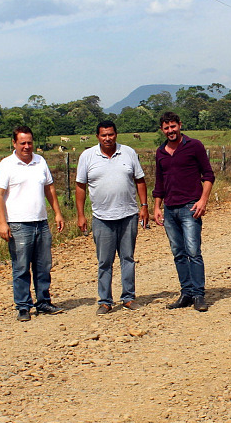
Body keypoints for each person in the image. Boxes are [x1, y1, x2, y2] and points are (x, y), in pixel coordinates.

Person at [75, 121, 149, 315]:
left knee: (127, 258)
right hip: (102, 217)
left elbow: (140, 180)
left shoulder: (129, 153)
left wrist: (144, 206)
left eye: (111, 134)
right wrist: (81, 214)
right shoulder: (87, 156)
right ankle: (105, 301)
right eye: (103, 135)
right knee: (104, 261)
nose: (107, 138)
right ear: (97, 137)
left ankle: (128, 298)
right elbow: (80, 186)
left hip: (128, 215)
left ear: (116, 135)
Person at [0, 126, 66, 322]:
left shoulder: (40, 161)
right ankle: (23, 306)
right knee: (21, 267)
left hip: (41, 222)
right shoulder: (6, 165)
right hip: (18, 224)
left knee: (43, 266)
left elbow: (49, 188)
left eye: (30, 142)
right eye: (22, 143)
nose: (27, 146)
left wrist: (57, 213)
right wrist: (2, 222)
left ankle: (43, 302)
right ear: (14, 144)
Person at [152, 111, 215, 311]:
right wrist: (156, 207)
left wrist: (203, 200)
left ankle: (199, 295)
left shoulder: (194, 146)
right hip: (170, 210)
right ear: (162, 130)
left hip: (190, 207)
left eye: (173, 126)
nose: (170, 131)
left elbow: (208, 175)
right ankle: (186, 293)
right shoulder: (160, 152)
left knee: (193, 251)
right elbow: (159, 182)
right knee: (178, 253)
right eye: (166, 128)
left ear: (180, 125)